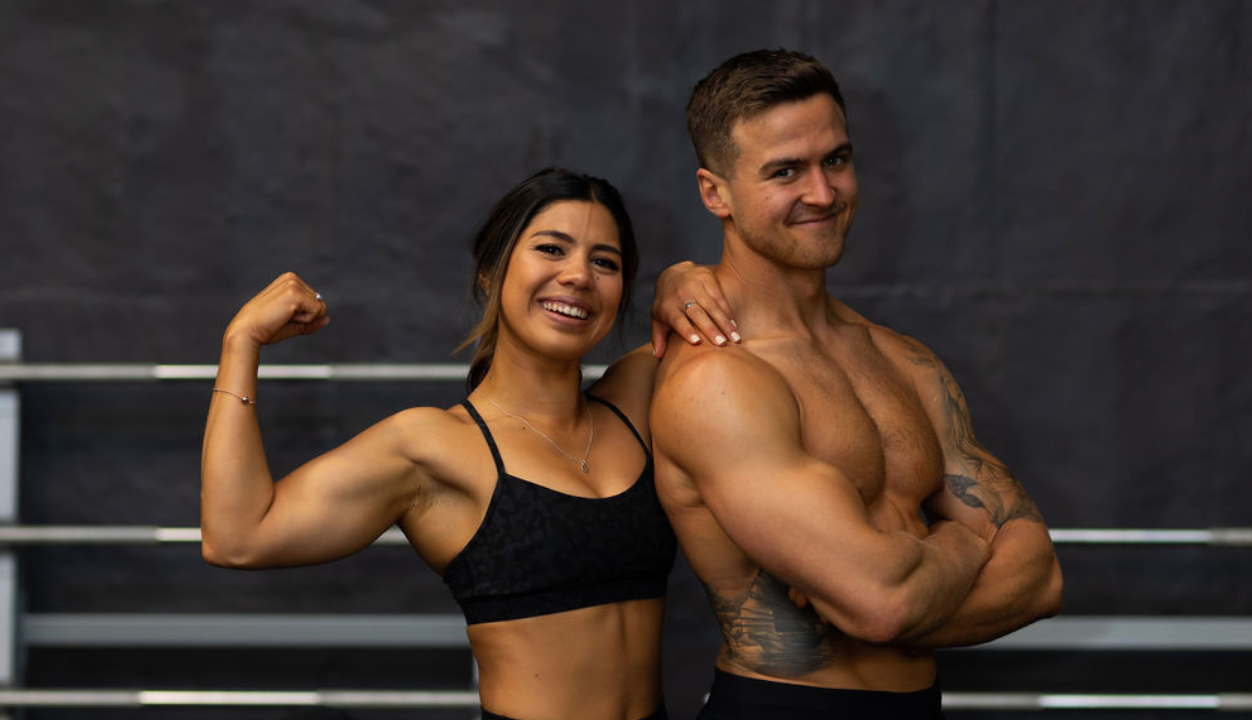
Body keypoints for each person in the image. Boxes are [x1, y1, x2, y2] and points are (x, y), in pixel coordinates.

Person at [201, 167, 736, 720]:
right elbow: (236, 538)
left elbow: (753, 307)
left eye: (605, 262)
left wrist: (681, 278)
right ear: (490, 272)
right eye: (551, 249)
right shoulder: (432, 446)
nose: (579, 275)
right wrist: (241, 341)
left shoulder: (640, 393)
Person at [649, 49, 1064, 719]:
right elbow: (882, 604)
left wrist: (899, 594)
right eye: (785, 171)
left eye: (835, 160)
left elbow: (1040, 575)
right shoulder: (718, 379)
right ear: (714, 192)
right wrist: (963, 541)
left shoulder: (902, 360)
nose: (823, 194)